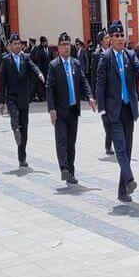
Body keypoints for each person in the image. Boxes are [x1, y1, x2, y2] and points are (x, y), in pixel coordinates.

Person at [96, 21, 139, 202]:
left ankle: (122, 191)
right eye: (116, 36)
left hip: (128, 109)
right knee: (119, 147)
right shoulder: (105, 57)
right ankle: (130, 179)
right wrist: (102, 110)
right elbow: (100, 85)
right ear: (110, 39)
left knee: (127, 149)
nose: (120, 39)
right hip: (113, 111)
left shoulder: (130, 55)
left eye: (121, 36)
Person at [46, 32, 95, 184]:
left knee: (71, 143)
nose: (66, 47)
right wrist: (51, 109)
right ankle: (64, 169)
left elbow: (83, 81)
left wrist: (90, 97)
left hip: (73, 110)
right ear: (58, 48)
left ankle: (71, 173)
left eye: (68, 45)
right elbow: (49, 88)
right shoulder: (54, 65)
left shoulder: (76, 63)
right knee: (61, 141)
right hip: (60, 111)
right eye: (63, 45)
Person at [0, 33, 45, 167]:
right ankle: (15, 129)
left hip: (24, 98)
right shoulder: (6, 60)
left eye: (19, 44)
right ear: (10, 46)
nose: (17, 46)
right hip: (12, 97)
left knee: (24, 128)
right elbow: (2, 82)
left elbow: (33, 67)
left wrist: (39, 73)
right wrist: (1, 102)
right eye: (15, 44)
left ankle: (22, 157)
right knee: (14, 117)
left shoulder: (26, 57)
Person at [90, 29, 114, 155]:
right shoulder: (96, 55)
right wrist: (93, 96)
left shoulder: (112, 52)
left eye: (108, 38)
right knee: (106, 119)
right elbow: (93, 76)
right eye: (105, 38)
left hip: (112, 92)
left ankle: (110, 143)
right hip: (101, 93)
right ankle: (108, 145)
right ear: (101, 41)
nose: (108, 40)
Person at [32, 36, 50, 102]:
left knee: (48, 84)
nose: (46, 42)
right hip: (42, 69)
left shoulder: (49, 49)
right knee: (41, 84)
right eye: (45, 41)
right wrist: (39, 71)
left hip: (48, 69)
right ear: (42, 42)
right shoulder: (38, 49)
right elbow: (38, 60)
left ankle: (46, 96)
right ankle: (41, 97)